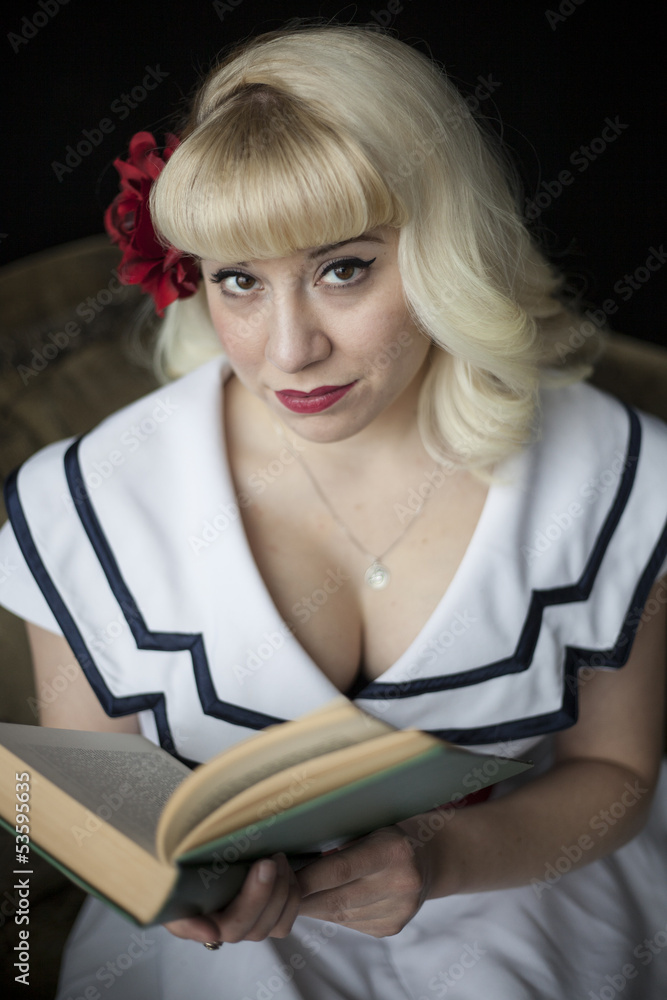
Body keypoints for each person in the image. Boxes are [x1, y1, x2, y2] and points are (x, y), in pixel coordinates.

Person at [1, 21, 666, 1000]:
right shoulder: (84, 504)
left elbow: (612, 770)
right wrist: (180, 897)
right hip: (224, 947)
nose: (289, 349)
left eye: (343, 268)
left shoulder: (620, 474)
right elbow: (86, 802)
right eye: (239, 280)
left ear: (449, 248)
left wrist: (443, 855)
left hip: (525, 884)